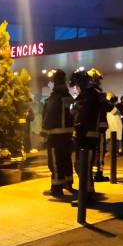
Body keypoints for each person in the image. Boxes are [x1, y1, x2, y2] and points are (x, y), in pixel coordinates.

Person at [41, 69, 75, 198]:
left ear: (54, 81)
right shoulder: (68, 96)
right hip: (67, 134)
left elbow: (50, 114)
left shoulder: (55, 97)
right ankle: (68, 182)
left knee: (55, 161)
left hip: (55, 135)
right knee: (66, 159)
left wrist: (44, 130)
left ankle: (56, 187)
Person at [69, 70, 102, 202]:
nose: (76, 87)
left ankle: (86, 196)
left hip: (86, 135)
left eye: (76, 84)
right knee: (81, 166)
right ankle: (87, 192)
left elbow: (82, 116)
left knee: (83, 166)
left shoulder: (89, 95)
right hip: (86, 134)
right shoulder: (89, 94)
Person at [87, 69, 110, 182]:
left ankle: (92, 172)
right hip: (99, 126)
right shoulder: (97, 93)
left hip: (90, 127)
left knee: (92, 149)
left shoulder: (86, 92)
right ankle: (98, 174)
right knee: (99, 150)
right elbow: (108, 107)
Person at [105, 92, 123, 156]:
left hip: (115, 124)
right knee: (108, 138)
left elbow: (116, 112)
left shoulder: (115, 107)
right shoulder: (107, 106)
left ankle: (115, 151)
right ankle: (110, 151)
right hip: (109, 123)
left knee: (115, 138)